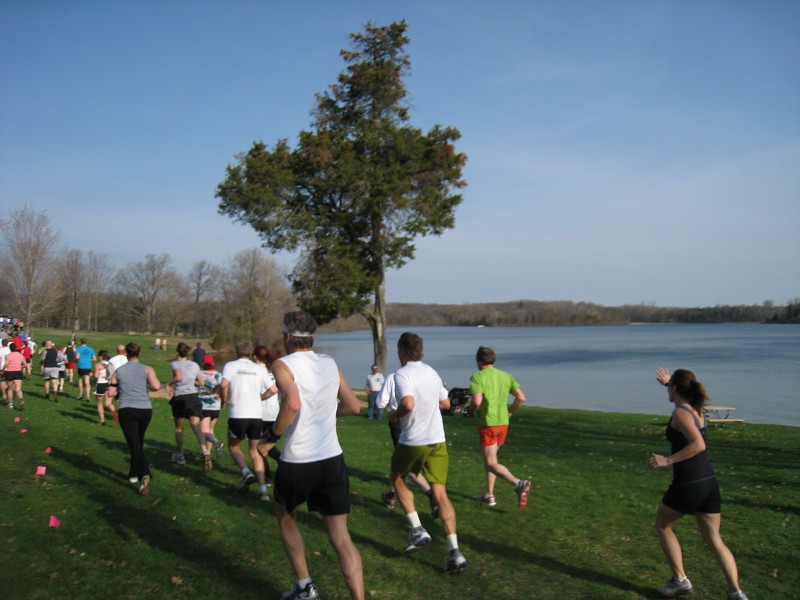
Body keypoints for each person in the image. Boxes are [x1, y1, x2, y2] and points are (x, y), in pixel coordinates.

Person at [257, 310, 363, 600]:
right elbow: (354, 406)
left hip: (298, 460)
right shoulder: (329, 363)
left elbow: (292, 403)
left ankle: (304, 586)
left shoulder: (282, 365)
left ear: (288, 337)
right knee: (341, 537)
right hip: (332, 460)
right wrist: (324, 413)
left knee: (286, 517)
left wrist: (270, 439)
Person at [648, 368, 749, 600]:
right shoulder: (695, 409)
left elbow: (698, 444)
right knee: (714, 539)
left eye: (670, 386)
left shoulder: (680, 414)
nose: (667, 390)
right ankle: (736, 593)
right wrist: (668, 383)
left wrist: (668, 460)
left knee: (663, 525)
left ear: (676, 388)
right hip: (708, 483)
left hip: (689, 483)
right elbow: (681, 400)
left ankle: (680, 581)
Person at [388, 332, 467, 574]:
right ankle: (455, 552)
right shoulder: (432, 373)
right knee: (440, 494)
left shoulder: (402, 374)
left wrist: (395, 415)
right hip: (437, 440)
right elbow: (445, 404)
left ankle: (417, 530)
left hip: (415, 439)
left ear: (402, 352)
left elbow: (408, 404)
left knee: (397, 478)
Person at [468, 346, 531, 508]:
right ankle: (489, 494)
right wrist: (510, 411)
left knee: (490, 463)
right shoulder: (506, 376)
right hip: (503, 423)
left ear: (479, 361)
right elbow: (521, 398)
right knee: (492, 460)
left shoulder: (477, 377)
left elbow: (476, 402)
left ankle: (518, 483)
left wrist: (470, 411)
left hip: (488, 424)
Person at [376, 371, 439, 518]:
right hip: (419, 422)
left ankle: (431, 494)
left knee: (405, 463)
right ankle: (391, 495)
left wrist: (392, 410)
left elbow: (380, 402)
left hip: (398, 421)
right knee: (400, 463)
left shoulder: (392, 378)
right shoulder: (422, 376)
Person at [220, 340, 273, 500]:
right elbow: (273, 390)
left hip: (238, 414)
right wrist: (260, 398)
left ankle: (246, 472)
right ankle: (263, 491)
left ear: (237, 351)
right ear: (250, 353)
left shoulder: (230, 366)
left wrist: (224, 400)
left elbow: (223, 384)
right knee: (255, 451)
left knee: (234, 447)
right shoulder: (258, 368)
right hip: (256, 415)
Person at [107, 342, 161, 495]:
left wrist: (116, 387)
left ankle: (144, 473)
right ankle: (133, 473)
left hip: (127, 410)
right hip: (145, 410)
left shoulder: (119, 370)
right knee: (137, 441)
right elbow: (156, 386)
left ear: (126, 354)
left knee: (134, 442)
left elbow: (111, 393)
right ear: (139, 354)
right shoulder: (147, 368)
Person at [167, 342, 208, 470]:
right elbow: (201, 382)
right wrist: (191, 381)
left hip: (180, 397)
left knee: (179, 428)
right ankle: (205, 451)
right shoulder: (195, 365)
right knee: (196, 426)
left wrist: (169, 384)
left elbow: (178, 377)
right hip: (193, 397)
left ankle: (180, 455)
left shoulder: (175, 363)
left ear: (177, 353)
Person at [253, 344, 283, 486]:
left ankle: (267, 474)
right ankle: (270, 471)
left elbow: (272, 391)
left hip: (262, 413)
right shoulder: (273, 370)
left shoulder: (257, 371)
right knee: (265, 444)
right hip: (274, 412)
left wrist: (257, 398)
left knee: (258, 446)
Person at [195, 355, 225, 461]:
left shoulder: (199, 374)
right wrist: (224, 401)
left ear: (203, 363)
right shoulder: (218, 375)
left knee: (204, 431)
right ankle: (208, 455)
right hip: (216, 406)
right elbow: (223, 387)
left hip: (204, 406)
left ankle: (217, 443)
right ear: (213, 364)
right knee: (210, 430)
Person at [3, 342, 26, 410]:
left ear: (10, 348)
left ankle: (10, 404)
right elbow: (25, 364)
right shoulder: (20, 355)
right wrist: (20, 366)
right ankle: (21, 400)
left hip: (10, 372)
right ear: (16, 348)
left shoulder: (8, 355)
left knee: (10, 389)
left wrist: (3, 368)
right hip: (18, 372)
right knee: (18, 389)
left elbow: (6, 364)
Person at [93, 350, 112, 425]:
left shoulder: (98, 365)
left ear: (101, 356)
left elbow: (96, 376)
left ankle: (102, 420)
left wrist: (91, 374)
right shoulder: (110, 364)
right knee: (108, 403)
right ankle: (115, 413)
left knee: (99, 403)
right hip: (108, 384)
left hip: (101, 384)